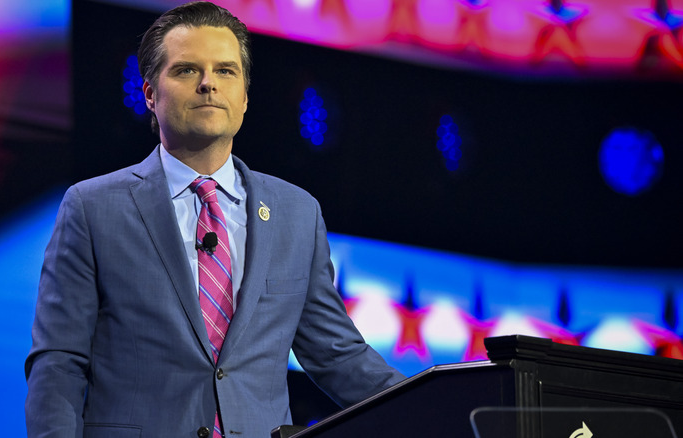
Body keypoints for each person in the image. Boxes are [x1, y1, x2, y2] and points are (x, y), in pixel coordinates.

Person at [24, 2, 405, 437]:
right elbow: (59, 363)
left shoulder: (297, 213)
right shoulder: (92, 208)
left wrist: (439, 405)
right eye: (187, 70)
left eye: (226, 71)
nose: (209, 84)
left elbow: (338, 357)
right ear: (150, 92)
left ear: (245, 95)